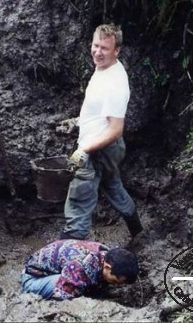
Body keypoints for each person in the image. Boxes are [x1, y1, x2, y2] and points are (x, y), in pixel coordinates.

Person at [57, 24, 143, 242]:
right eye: (96, 46)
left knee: (79, 198)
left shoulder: (115, 84)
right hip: (109, 149)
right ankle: (137, 230)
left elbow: (115, 130)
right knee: (112, 185)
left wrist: (84, 150)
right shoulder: (103, 69)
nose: (98, 52)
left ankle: (72, 250)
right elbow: (100, 112)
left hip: (100, 147)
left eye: (105, 48)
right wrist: (77, 122)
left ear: (117, 51)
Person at [21, 239, 139, 300]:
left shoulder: (106, 253)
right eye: (114, 281)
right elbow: (63, 300)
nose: (116, 285)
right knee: (67, 288)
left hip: (61, 268)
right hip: (33, 280)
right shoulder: (79, 269)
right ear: (107, 267)